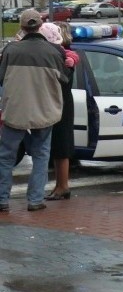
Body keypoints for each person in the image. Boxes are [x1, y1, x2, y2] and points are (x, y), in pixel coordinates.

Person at [0, 10, 69, 212]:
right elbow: (64, 78)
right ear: (40, 26)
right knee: (40, 155)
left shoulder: (11, 50)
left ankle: (2, 200)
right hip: (44, 112)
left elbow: (1, 77)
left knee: (5, 157)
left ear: (22, 27)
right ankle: (35, 200)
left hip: (16, 111)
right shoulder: (54, 52)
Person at [39, 22, 79, 200]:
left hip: (60, 103)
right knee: (58, 146)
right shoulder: (65, 54)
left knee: (61, 145)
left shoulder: (64, 56)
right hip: (60, 102)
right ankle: (60, 186)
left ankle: (62, 186)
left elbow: (60, 79)